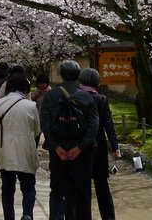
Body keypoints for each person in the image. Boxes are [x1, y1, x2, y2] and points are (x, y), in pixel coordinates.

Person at [40, 60, 99, 220]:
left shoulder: (50, 96)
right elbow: (94, 126)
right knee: (83, 191)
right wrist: (80, 147)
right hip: (82, 153)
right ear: (78, 76)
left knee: (58, 190)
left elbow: (45, 124)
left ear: (61, 75)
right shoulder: (87, 97)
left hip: (58, 152)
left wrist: (56, 147)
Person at [0, 74, 40, 220]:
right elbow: (37, 130)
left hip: (5, 151)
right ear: (26, 90)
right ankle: (27, 214)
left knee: (8, 188)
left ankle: (9, 217)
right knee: (28, 186)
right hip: (26, 150)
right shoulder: (31, 106)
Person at [79, 68, 121, 220]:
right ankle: (108, 217)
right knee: (102, 185)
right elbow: (108, 125)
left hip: (80, 146)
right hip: (99, 146)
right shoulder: (102, 100)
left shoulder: (75, 98)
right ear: (97, 82)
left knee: (83, 188)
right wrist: (115, 148)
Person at [31, 74, 51, 147]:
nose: (42, 85)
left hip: (47, 118)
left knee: (49, 138)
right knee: (36, 136)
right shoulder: (36, 92)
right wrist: (35, 96)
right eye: (40, 83)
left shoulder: (50, 92)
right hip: (37, 117)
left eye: (43, 83)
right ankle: (34, 152)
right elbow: (30, 102)